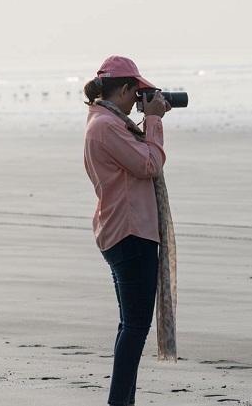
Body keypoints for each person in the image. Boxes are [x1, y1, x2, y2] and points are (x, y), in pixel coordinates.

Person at [82, 56, 174, 406]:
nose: (139, 98)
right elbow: (149, 163)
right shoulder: (105, 127)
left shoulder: (107, 122)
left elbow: (139, 159)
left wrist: (148, 119)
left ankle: (122, 401)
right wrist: (153, 120)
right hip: (130, 233)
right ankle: (119, 402)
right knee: (135, 327)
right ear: (123, 90)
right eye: (136, 92)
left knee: (131, 326)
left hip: (124, 230)